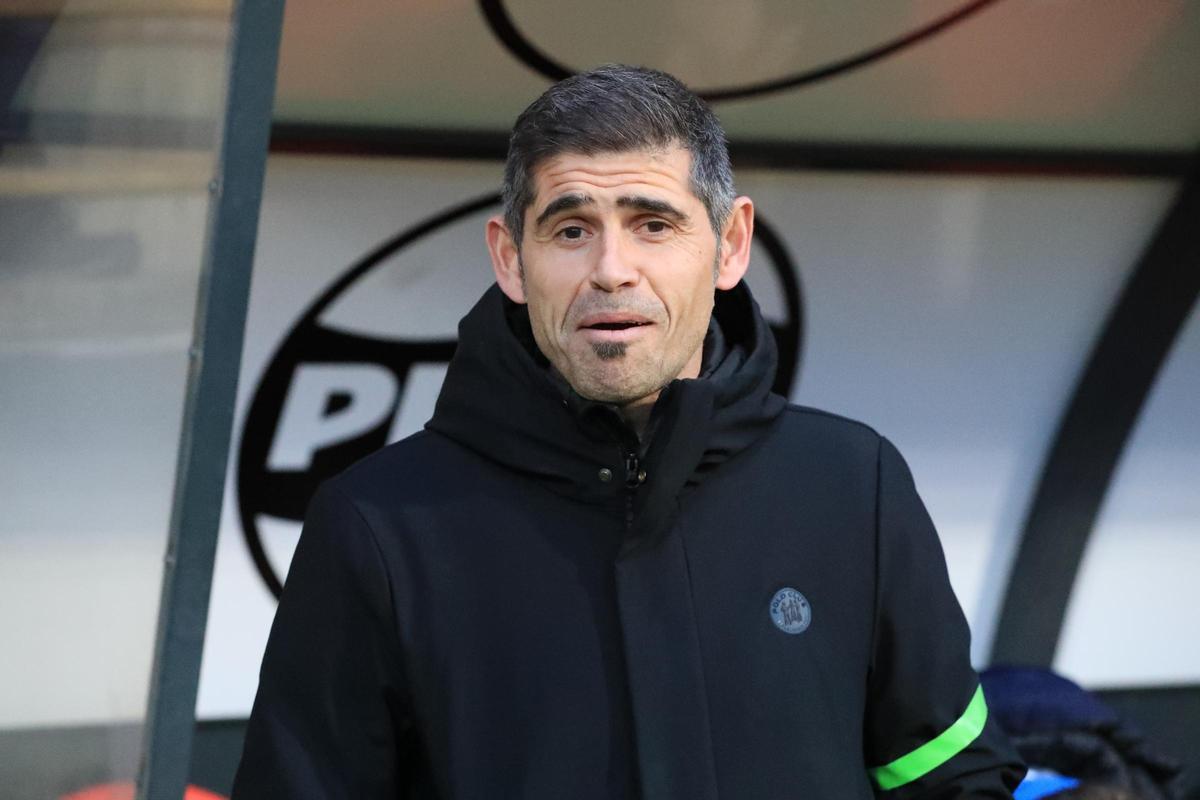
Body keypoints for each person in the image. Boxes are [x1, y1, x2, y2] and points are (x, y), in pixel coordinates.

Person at [232, 64, 1024, 798]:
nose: (611, 269)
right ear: (510, 258)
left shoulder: (853, 483)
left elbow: (954, 780)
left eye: (653, 224)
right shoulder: (378, 524)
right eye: (571, 229)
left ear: (730, 245)